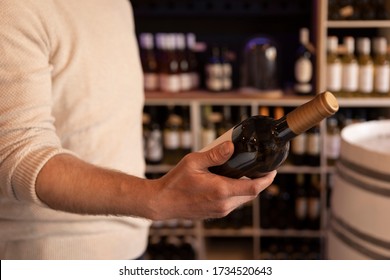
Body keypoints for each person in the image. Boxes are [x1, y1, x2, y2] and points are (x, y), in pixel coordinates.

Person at [0, 0, 276, 260]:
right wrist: (155, 198)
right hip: (52, 255)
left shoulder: (117, 4)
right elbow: (17, 154)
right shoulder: (15, 7)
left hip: (130, 242)